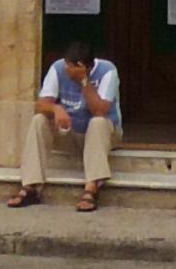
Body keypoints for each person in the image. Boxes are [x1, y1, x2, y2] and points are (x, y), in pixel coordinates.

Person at [9, 43, 122, 212]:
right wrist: (55, 108)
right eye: (67, 65)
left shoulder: (107, 71)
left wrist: (84, 81)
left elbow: (100, 110)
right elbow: (40, 105)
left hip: (104, 135)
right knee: (39, 120)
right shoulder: (58, 68)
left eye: (71, 67)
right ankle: (31, 186)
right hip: (70, 132)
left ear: (86, 67)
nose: (67, 70)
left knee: (97, 122)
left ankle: (92, 188)